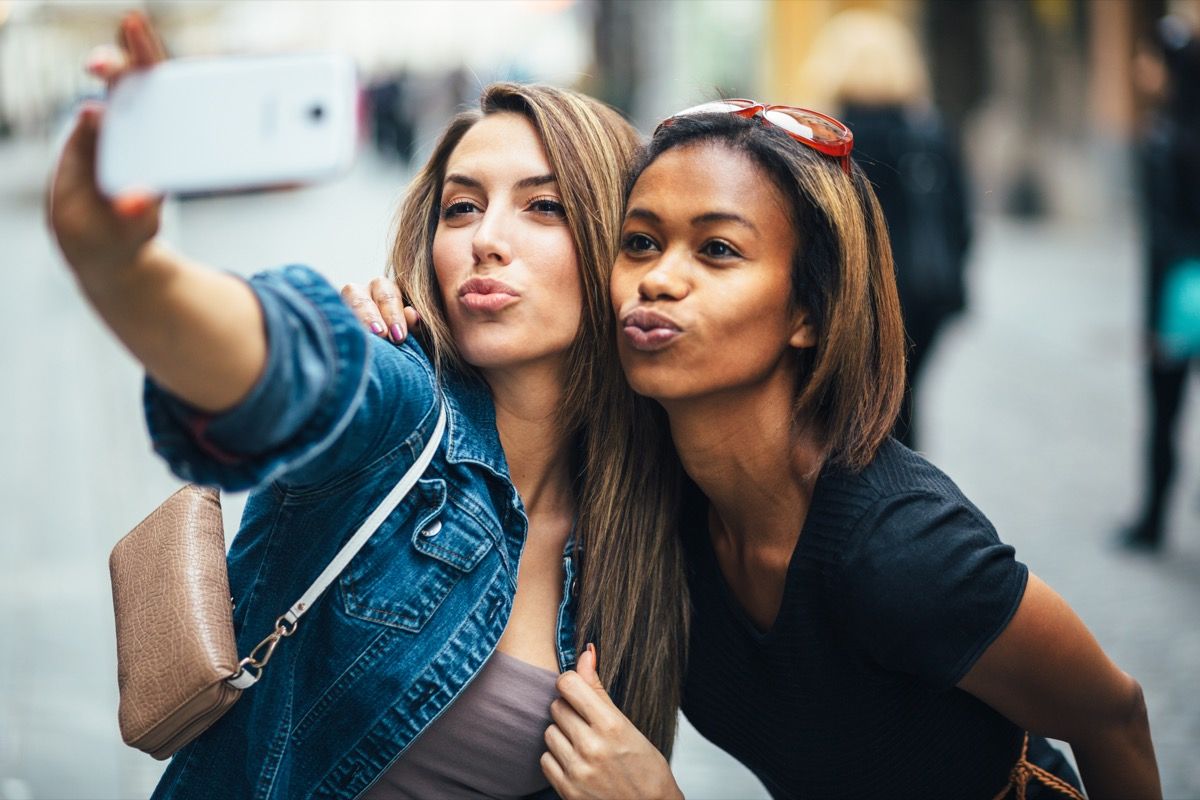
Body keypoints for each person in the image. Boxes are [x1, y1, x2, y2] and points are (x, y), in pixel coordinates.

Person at [49, 13, 687, 799]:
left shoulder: (646, 516)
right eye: (461, 207)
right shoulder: (404, 411)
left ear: (620, 246)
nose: (486, 239)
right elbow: (287, 363)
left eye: (543, 207)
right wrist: (131, 274)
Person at [535, 102, 1161, 798]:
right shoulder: (662, 511)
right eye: (641, 243)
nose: (657, 278)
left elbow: (1116, 715)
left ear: (809, 311)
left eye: (717, 250)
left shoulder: (902, 552)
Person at [804, 8, 972, 449]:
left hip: (853, 299)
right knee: (905, 406)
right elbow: (962, 224)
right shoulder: (932, 134)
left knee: (858, 415)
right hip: (925, 296)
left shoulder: (825, 143)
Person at [1121, 16, 1200, 551]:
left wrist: (1151, 322)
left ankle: (1152, 519)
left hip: (1178, 296)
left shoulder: (1160, 136)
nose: (1137, 68)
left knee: (1165, 410)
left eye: (1145, 58)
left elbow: (1161, 241)